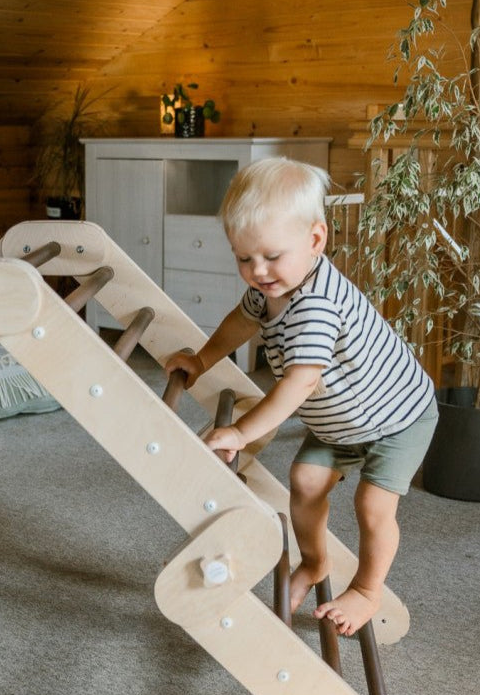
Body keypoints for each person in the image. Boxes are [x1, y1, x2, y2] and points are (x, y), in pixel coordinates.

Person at [164, 157, 438, 636]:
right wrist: (203, 359)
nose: (257, 270)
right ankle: (314, 563)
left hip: (397, 417)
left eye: (271, 256)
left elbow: (299, 382)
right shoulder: (269, 289)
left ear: (315, 240)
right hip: (340, 420)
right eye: (243, 258)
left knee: (373, 505)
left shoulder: (316, 304)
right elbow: (241, 321)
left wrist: (240, 432)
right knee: (305, 482)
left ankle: (367, 590)